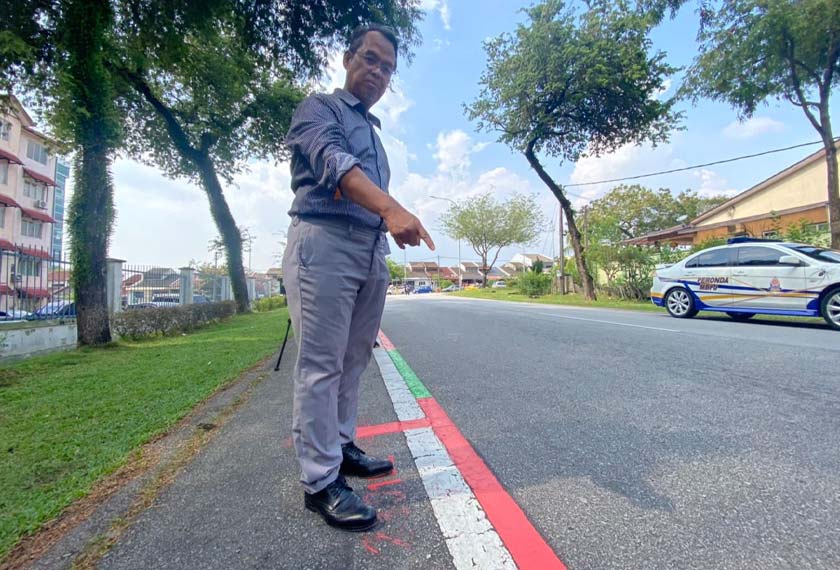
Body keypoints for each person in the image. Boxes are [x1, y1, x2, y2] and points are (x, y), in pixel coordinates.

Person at [282, 24, 434, 532]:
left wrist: (387, 224)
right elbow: (333, 161)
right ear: (349, 58)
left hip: (369, 250)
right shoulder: (319, 109)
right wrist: (391, 207)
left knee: (354, 357)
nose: (378, 72)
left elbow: (367, 185)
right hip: (323, 242)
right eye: (371, 59)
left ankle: (341, 447)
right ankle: (320, 482)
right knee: (320, 365)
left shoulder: (374, 132)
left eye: (387, 67)